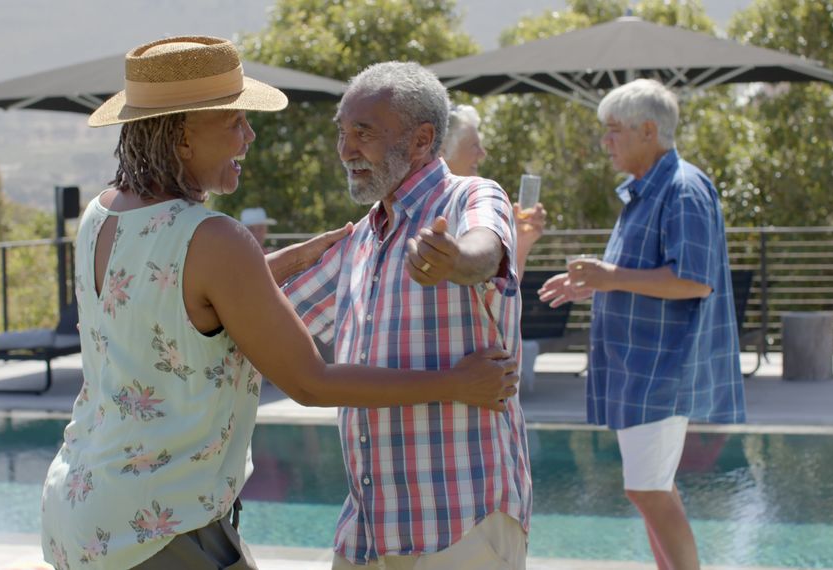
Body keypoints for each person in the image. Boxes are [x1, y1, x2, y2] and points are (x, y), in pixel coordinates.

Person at [39, 36, 519, 570]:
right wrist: (456, 384)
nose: (249, 137)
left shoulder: (101, 214)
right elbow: (310, 381)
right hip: (159, 526)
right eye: (234, 123)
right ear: (180, 138)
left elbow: (168, 303)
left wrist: (454, 259)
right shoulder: (217, 239)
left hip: (82, 509)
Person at [282, 62, 532, 569]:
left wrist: (456, 260)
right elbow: (271, 317)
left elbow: (486, 247)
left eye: (363, 132)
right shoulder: (360, 238)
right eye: (343, 132)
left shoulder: (471, 196)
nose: (346, 149)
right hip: (369, 530)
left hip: (461, 522)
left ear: (421, 140)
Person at [538, 78, 746, 570]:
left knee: (648, 490)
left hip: (662, 369)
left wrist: (610, 276)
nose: (605, 143)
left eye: (613, 132)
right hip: (642, 369)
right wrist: (592, 285)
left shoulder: (682, 190)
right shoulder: (647, 191)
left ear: (648, 131)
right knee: (653, 488)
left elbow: (694, 281)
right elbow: (643, 277)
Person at [441, 104, 546, 276]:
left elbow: (500, 295)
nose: (482, 153)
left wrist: (521, 241)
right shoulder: (417, 207)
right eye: (474, 146)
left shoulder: (475, 204)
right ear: (443, 150)